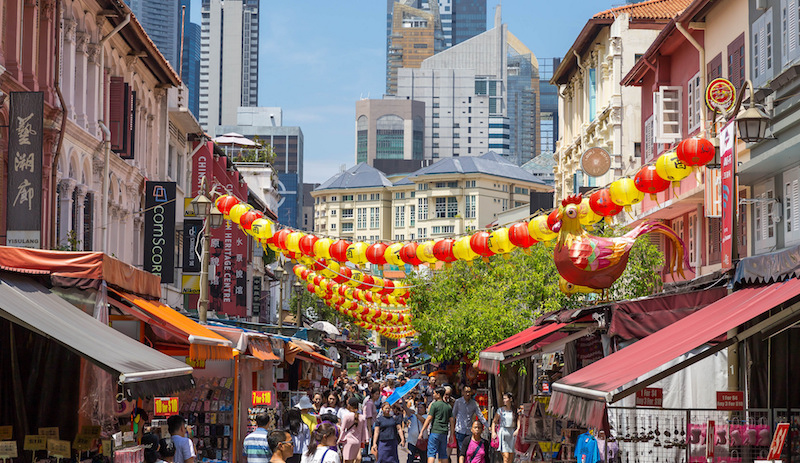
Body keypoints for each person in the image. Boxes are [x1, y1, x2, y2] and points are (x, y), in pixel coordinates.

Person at [419, 387, 454, 463]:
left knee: (431, 453)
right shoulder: (448, 406)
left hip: (435, 431)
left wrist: (422, 431)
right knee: (443, 454)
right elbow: (451, 421)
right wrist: (451, 434)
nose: (433, 395)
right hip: (444, 433)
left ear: (438, 394)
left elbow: (429, 418)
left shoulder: (434, 405)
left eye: (434, 393)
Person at [452, 386, 488, 455]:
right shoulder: (458, 402)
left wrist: (488, 426)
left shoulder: (474, 403)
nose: (467, 394)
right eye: (466, 392)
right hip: (460, 431)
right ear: (462, 392)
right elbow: (453, 415)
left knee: (468, 451)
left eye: (469, 392)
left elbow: (480, 416)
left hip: (469, 431)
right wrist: (451, 429)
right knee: (462, 451)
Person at [491, 393, 520, 463]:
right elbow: (494, 421)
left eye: (505, 398)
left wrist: (517, 429)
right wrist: (493, 432)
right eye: (503, 398)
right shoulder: (500, 410)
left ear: (510, 399)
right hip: (503, 432)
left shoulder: (515, 410)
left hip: (512, 433)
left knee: (511, 457)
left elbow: (518, 421)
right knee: (505, 456)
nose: (504, 400)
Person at [339, 397, 368, 463]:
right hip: (357, 442)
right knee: (356, 460)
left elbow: (343, 429)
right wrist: (365, 440)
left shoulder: (347, 416)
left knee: (347, 460)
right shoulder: (362, 417)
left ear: (349, 405)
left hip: (348, 441)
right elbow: (364, 430)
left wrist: (340, 440)